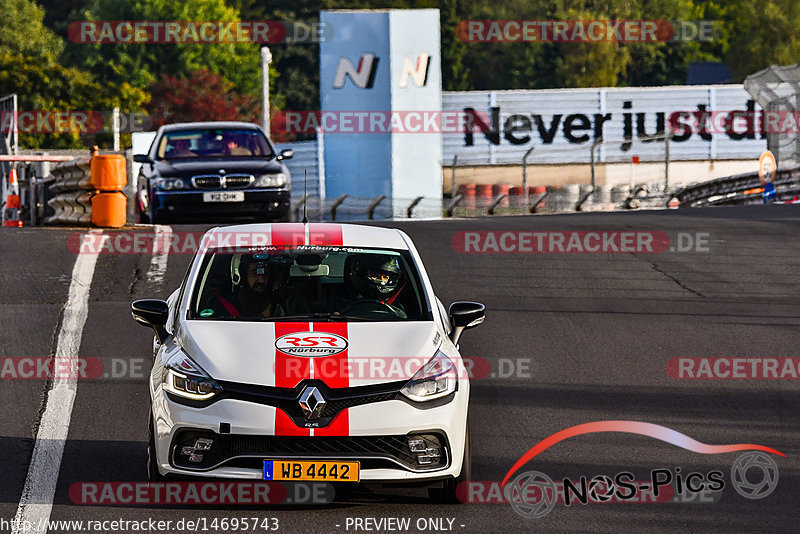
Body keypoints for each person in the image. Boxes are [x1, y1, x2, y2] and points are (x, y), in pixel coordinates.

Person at [203, 254, 287, 318]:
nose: (261, 280)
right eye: (255, 273)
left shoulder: (279, 306)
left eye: (265, 274)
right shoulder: (221, 305)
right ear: (244, 275)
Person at [342, 255, 408, 318]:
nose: (382, 280)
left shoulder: (398, 311)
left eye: (385, 277)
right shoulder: (339, 303)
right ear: (361, 273)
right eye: (376, 275)